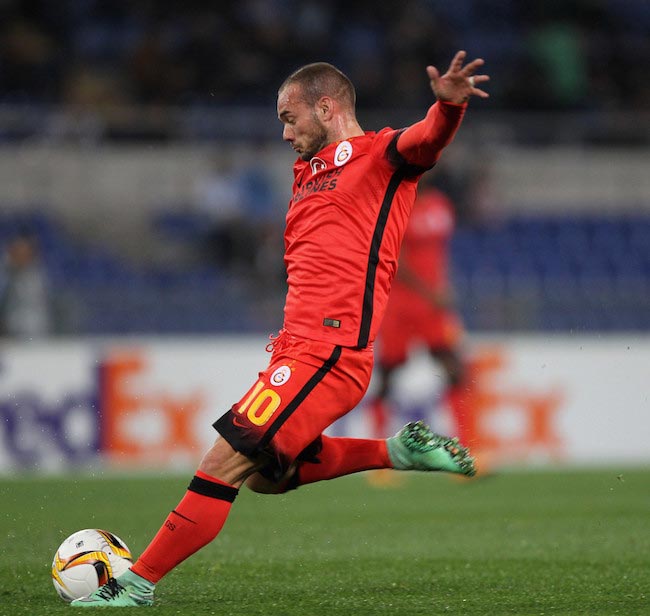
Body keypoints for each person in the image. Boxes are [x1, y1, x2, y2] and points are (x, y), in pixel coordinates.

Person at [72, 50, 489, 607]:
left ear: (326, 107)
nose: (286, 132)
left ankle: (135, 584)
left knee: (223, 461)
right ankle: (396, 452)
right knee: (271, 477)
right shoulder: (309, 173)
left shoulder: (379, 157)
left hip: (331, 352)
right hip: (294, 348)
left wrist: (449, 108)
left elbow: (425, 142)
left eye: (290, 119)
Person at [368, 181, 472, 462]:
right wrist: (431, 292)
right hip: (399, 307)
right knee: (388, 379)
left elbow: (440, 254)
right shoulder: (397, 203)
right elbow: (395, 260)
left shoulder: (440, 204)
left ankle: (465, 451)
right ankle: (378, 457)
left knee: (455, 371)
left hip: (433, 308)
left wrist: (443, 286)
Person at [0, 232, 52, 339]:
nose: (21, 257)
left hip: (34, 333)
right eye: (17, 252)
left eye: (25, 253)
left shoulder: (38, 277)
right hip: (9, 334)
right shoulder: (5, 275)